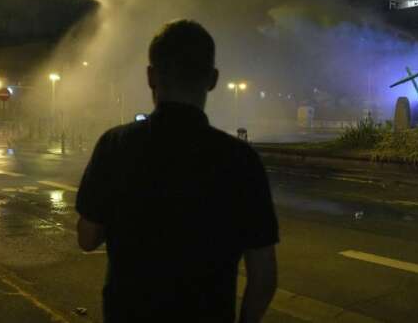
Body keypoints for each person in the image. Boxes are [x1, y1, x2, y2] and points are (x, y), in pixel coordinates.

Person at [76, 19, 279, 323]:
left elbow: (87, 238)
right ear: (212, 79)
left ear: (151, 76)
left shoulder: (114, 145)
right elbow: (263, 275)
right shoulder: (240, 159)